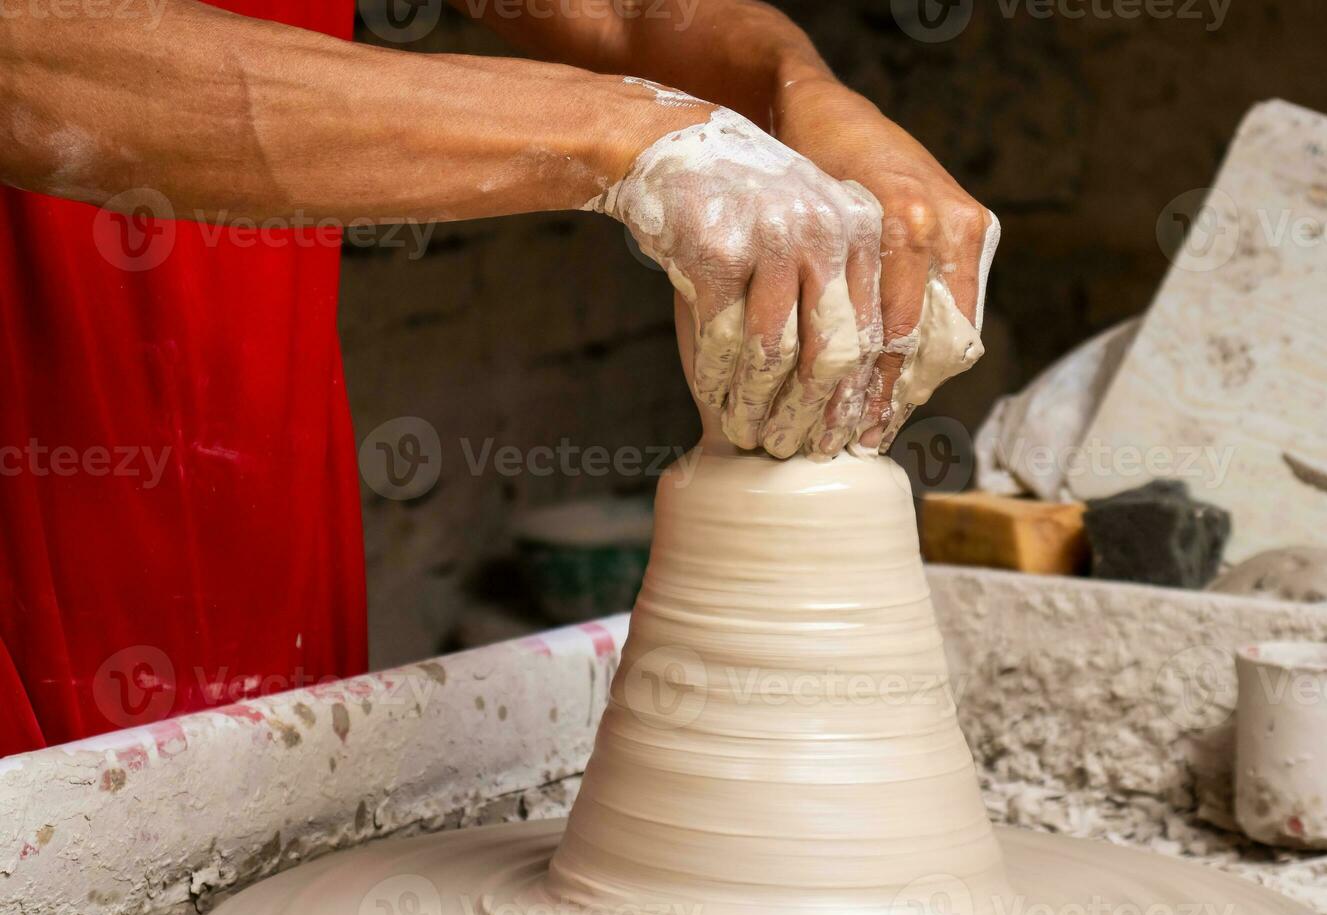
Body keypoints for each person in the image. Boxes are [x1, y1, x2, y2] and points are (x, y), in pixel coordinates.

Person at [0, 0, 997, 754]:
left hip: (243, 456)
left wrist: (804, 88)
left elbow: (617, 13)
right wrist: (630, 135)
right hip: (27, 460)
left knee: (244, 830)